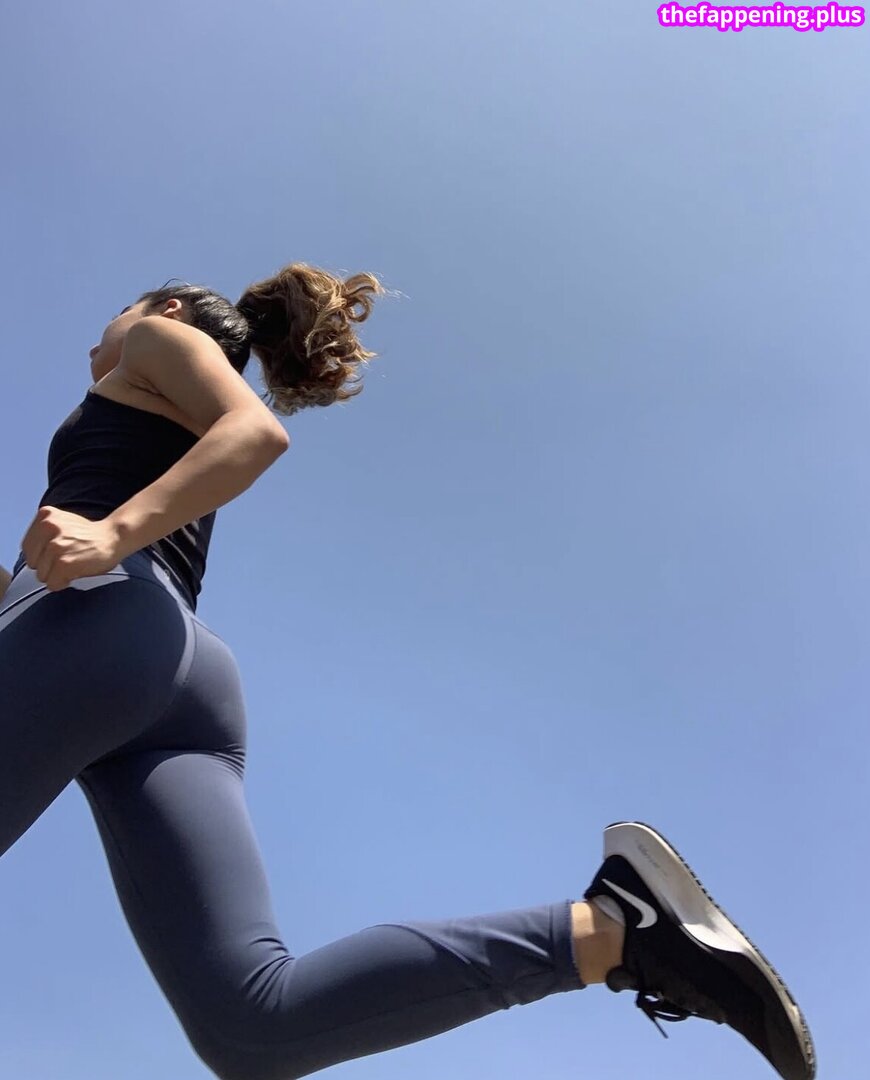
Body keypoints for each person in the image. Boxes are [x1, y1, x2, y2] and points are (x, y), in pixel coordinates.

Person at [0, 266, 815, 1080]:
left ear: (168, 309)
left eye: (114, 314)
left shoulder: (155, 339)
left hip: (101, 624)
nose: (96, 339)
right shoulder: (152, 396)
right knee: (252, 1027)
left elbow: (254, 433)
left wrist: (113, 534)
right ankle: (612, 933)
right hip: (170, 678)